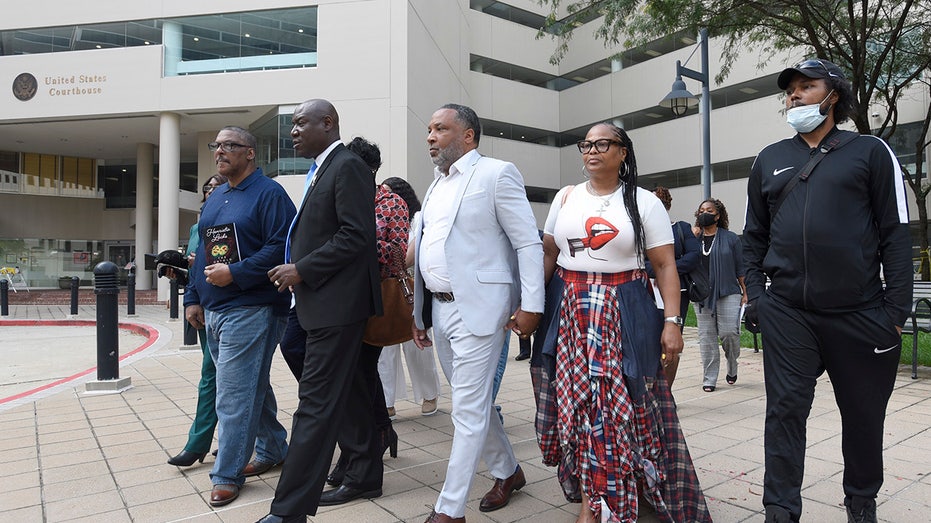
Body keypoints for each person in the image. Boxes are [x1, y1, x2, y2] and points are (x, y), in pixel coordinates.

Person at [743, 58, 912, 523]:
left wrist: (894, 311)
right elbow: (752, 237)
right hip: (788, 313)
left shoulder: (872, 151)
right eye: (790, 90)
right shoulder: (770, 158)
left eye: (806, 86)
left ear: (832, 94)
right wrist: (758, 297)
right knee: (784, 414)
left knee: (862, 417)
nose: (794, 95)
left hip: (861, 314)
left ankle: (861, 500)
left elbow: (896, 234)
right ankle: (780, 510)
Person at [539, 122, 712, 522]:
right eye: (586, 144)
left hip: (624, 309)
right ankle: (592, 496)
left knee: (620, 407)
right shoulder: (565, 198)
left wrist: (672, 321)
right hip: (569, 311)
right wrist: (531, 305)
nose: (592, 150)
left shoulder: (643, 202)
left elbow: (665, 264)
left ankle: (611, 496)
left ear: (623, 153)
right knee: (579, 406)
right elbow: (548, 255)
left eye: (603, 143)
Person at [411, 103, 544, 523]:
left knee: (466, 410)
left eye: (440, 129)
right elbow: (428, 252)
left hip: (482, 310)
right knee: (475, 403)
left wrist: (531, 305)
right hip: (441, 308)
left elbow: (527, 242)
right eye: (429, 130)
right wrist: (419, 314)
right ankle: (508, 471)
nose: (430, 136)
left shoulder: (496, 174)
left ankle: (449, 511)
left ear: (468, 135)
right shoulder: (434, 185)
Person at [258, 99, 381, 523]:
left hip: (336, 305)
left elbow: (357, 236)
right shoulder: (324, 169)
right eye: (291, 124)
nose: (292, 131)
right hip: (320, 303)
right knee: (351, 393)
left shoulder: (346, 166)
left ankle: (289, 510)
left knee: (313, 406)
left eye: (299, 123)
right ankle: (365, 473)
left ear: (327, 123)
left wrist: (301, 269)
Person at [183, 127, 296, 507]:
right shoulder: (216, 197)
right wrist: (193, 296)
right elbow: (203, 254)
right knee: (250, 386)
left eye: (230, 145)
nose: (220, 152)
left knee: (232, 395)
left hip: (253, 308)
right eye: (217, 145)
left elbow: (283, 247)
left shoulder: (270, 194)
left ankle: (227, 473)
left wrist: (237, 272)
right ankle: (273, 447)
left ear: (250, 153)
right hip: (214, 309)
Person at [320, 137, 403, 500]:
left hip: (373, 298)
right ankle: (374, 438)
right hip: (339, 298)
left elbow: (397, 253)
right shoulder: (341, 194)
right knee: (353, 379)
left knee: (360, 376)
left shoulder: (390, 202)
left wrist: (356, 240)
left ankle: (362, 458)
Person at [166, 173, 227, 467]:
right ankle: (224, 440)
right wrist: (179, 271)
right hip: (203, 305)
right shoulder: (197, 225)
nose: (211, 191)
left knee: (215, 377)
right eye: (207, 188)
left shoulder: (234, 216)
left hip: (231, 305)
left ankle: (201, 442)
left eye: (217, 186)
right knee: (216, 377)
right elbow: (195, 265)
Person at [377, 176, 441, 419]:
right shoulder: (379, 216)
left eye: (389, 192)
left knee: (417, 346)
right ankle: (387, 400)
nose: (385, 198)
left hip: (412, 288)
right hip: (385, 288)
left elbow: (411, 254)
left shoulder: (418, 218)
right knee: (385, 349)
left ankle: (429, 394)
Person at [644, 186, 699, 388]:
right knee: (649, 340)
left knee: (671, 344)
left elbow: (693, 257)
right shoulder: (639, 232)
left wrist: (668, 270)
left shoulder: (681, 228)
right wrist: (660, 269)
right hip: (646, 291)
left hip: (677, 294)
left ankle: (666, 391)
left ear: (666, 205)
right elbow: (637, 262)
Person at [691, 198, 746, 392]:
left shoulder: (731, 238)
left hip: (728, 291)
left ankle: (732, 364)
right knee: (707, 338)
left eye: (709, 210)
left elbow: (741, 268)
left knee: (729, 333)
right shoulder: (693, 239)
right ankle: (709, 378)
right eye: (701, 210)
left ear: (718, 215)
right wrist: (691, 236)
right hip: (701, 294)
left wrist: (745, 293)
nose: (705, 213)